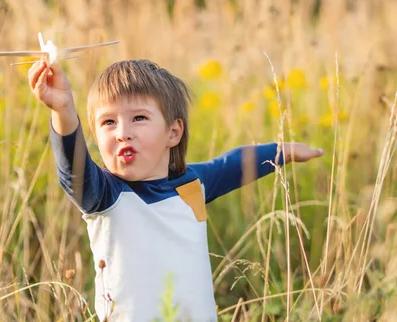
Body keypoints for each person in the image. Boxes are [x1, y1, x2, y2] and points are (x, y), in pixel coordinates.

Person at [28, 58, 324, 321]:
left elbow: (233, 165)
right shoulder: (105, 195)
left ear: (173, 132)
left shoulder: (192, 183)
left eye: (139, 118)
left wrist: (282, 151)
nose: (122, 132)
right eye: (108, 122)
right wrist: (64, 109)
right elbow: (73, 168)